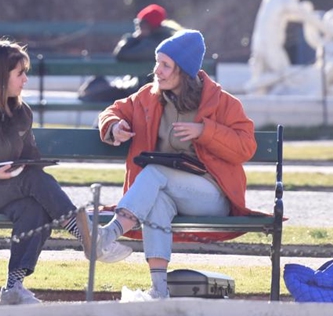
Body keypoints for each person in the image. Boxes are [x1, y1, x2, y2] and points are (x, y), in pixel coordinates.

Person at [0, 39, 132, 306]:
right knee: (32, 181)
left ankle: (13, 288)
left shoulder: (20, 112)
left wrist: (33, 163)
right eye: (20, 73)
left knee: (34, 208)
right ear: (0, 77)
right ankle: (87, 236)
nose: (26, 79)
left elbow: (28, 156)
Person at [95, 30, 258, 300]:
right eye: (157, 62)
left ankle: (108, 235)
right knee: (157, 202)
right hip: (168, 191)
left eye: (165, 65)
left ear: (183, 71)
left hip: (211, 195)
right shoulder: (148, 96)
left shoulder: (222, 102)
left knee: (154, 173)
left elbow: (246, 146)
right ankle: (159, 291)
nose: (157, 71)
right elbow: (112, 111)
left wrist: (204, 131)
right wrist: (114, 127)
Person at [79, 4, 179, 103]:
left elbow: (121, 54)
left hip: (143, 90)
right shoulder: (157, 39)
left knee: (96, 92)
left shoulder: (154, 43)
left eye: (141, 24)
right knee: (97, 86)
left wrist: (134, 37)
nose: (138, 28)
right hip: (142, 87)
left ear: (149, 26)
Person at [245, 0, 319, 95]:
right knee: (287, 75)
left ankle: (257, 88)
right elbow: (309, 18)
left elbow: (291, 15)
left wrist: (304, 11)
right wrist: (332, 28)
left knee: (267, 88)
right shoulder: (285, 0)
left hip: (258, 46)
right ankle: (253, 84)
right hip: (271, 47)